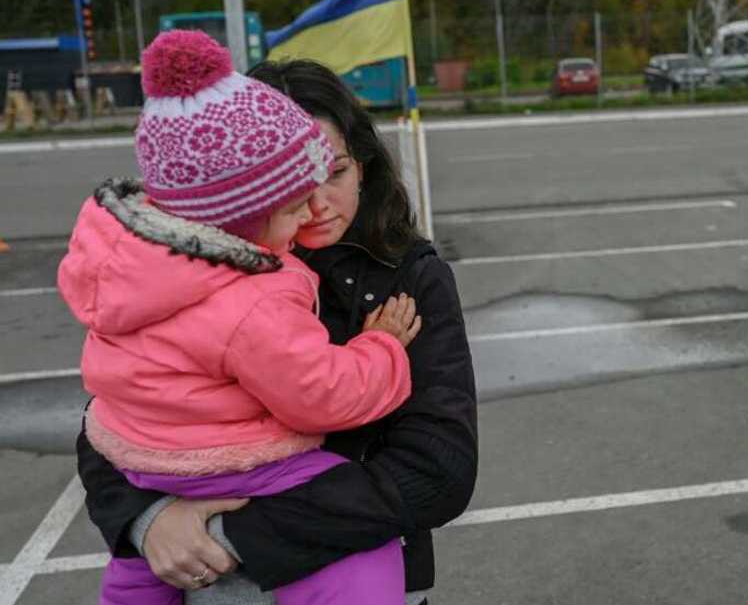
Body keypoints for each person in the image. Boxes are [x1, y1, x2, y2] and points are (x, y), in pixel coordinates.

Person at [75, 58, 477, 605]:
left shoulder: (409, 278)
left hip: (330, 574)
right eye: (295, 186)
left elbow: (438, 471)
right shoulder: (196, 269)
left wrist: (225, 536)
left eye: (335, 173)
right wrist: (148, 522)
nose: (316, 203)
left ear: (363, 166)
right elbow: (112, 420)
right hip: (209, 585)